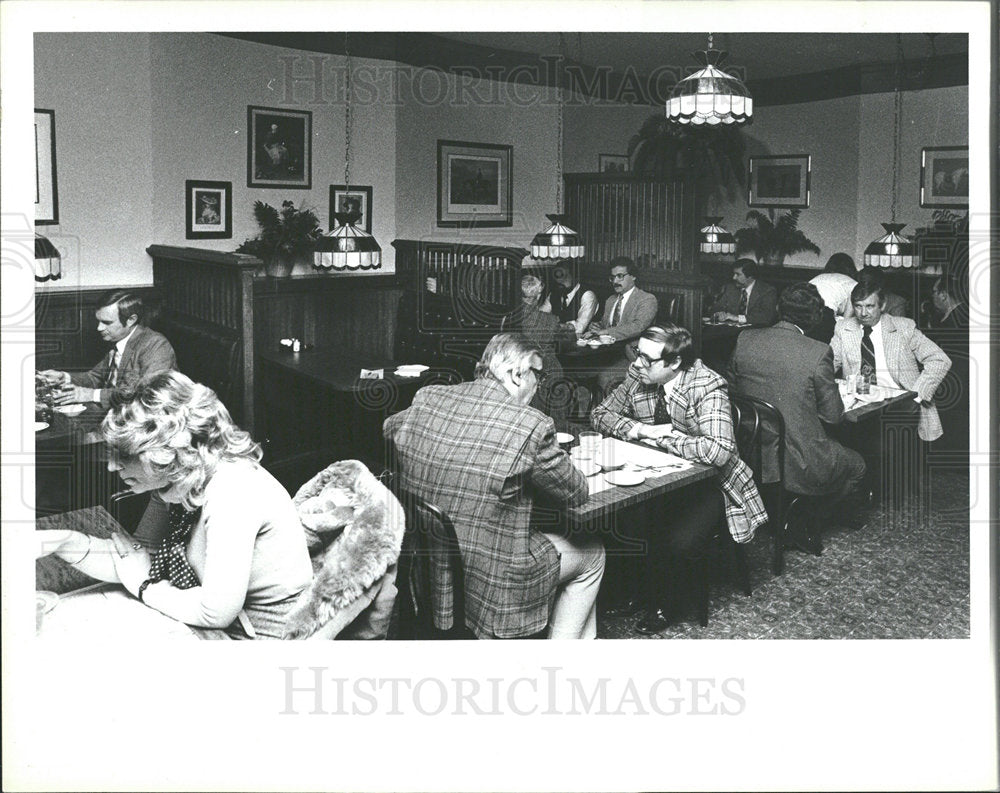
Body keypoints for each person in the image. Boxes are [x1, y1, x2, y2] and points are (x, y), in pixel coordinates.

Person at [36, 372, 313, 639]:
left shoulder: (233, 493)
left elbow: (214, 613)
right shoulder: (177, 481)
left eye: (124, 454)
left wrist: (144, 587)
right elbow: (137, 558)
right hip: (211, 618)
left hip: (261, 635)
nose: (110, 466)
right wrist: (65, 542)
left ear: (167, 450)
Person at [383, 333, 605, 639]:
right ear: (516, 374)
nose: (538, 386)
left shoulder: (429, 397)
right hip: (493, 579)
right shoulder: (531, 424)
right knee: (593, 551)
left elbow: (390, 427)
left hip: (429, 561)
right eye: (537, 376)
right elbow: (576, 493)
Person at [591, 324, 767, 633]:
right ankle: (636, 592)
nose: (636, 364)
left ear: (674, 363)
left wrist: (666, 440)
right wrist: (642, 430)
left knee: (675, 542)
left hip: (711, 484)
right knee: (621, 523)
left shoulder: (706, 385)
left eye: (647, 359)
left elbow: (719, 450)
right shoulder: (641, 373)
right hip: (657, 479)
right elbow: (600, 414)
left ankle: (665, 604)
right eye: (637, 354)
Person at [728, 283, 867, 553]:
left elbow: (732, 392)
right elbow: (832, 416)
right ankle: (803, 520)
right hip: (798, 458)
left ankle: (779, 513)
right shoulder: (817, 352)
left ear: (779, 309)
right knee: (858, 465)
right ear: (815, 318)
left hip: (751, 449)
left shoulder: (745, 339)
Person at [831, 278, 952, 499]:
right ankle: (860, 488)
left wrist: (916, 395)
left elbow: (939, 360)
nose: (863, 313)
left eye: (870, 306)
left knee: (884, 444)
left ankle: (881, 489)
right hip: (862, 402)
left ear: (882, 305)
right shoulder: (844, 328)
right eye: (858, 306)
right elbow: (829, 363)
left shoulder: (904, 327)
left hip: (901, 401)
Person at [38, 289, 177, 410]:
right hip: (118, 412)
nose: (99, 328)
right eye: (99, 321)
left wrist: (90, 395)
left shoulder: (156, 345)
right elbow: (95, 377)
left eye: (107, 323)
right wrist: (63, 377)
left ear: (131, 320)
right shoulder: (117, 339)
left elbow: (147, 394)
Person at [503, 275, 576, 429]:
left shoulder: (506, 316)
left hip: (509, 372)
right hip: (543, 375)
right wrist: (569, 329)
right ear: (538, 295)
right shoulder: (548, 320)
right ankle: (558, 429)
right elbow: (569, 341)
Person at [583, 256, 658, 392]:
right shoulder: (611, 300)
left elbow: (638, 327)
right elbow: (606, 325)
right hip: (607, 354)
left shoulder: (647, 299)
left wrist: (605, 332)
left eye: (620, 276)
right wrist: (597, 327)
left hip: (631, 356)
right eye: (612, 278)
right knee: (581, 372)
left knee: (604, 377)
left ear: (633, 276)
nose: (615, 281)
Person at [707, 258, 778, 327]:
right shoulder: (730, 288)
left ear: (750, 276)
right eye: (734, 274)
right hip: (731, 332)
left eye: (738, 274)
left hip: (756, 332)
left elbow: (766, 317)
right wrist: (719, 314)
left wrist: (737, 318)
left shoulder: (767, 291)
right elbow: (715, 309)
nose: (734, 278)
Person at [541, 260, 598, 337]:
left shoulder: (587, 295)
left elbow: (579, 328)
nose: (560, 283)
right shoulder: (554, 294)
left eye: (565, 279)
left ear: (575, 278)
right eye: (557, 281)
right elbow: (540, 316)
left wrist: (553, 324)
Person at [809, 252, 858, 318]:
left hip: (803, 307)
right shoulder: (853, 284)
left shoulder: (819, 277)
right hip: (825, 313)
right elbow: (846, 320)